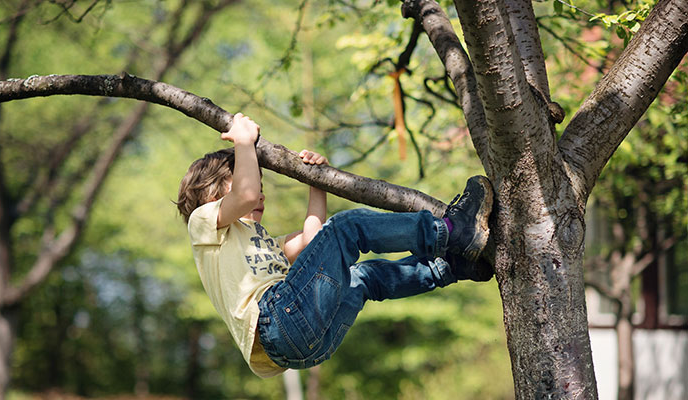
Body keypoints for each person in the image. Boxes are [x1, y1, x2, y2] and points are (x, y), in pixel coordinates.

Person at [177, 113, 494, 378]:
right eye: (252, 179)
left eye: (260, 185)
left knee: (361, 278)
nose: (260, 194)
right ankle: (453, 230)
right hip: (277, 325)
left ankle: (452, 266)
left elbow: (314, 242)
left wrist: (318, 182)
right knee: (347, 227)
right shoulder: (203, 224)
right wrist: (244, 141)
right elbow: (244, 195)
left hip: (302, 345)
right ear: (211, 192)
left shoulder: (261, 242)